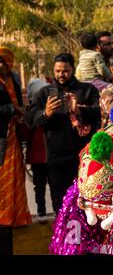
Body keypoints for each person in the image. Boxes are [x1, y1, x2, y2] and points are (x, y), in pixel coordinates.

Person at [25, 53, 101, 214]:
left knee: (85, 203)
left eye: (65, 71)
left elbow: (98, 115)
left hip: (84, 158)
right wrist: (46, 113)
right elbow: (30, 120)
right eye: (57, 71)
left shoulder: (87, 91)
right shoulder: (45, 94)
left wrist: (78, 110)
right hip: (56, 158)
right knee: (60, 204)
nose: (61, 75)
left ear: (73, 69)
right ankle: (63, 238)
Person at [0, 47, 32, 255]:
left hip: (14, 136)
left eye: (3, 62)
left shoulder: (14, 79)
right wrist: (12, 110)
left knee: (15, 176)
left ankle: (16, 214)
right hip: (2, 136)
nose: (0, 66)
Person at [26, 78, 51, 223]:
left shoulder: (49, 110)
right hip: (38, 156)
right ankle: (42, 212)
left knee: (46, 186)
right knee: (40, 186)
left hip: (47, 155)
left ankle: (44, 212)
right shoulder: (32, 113)